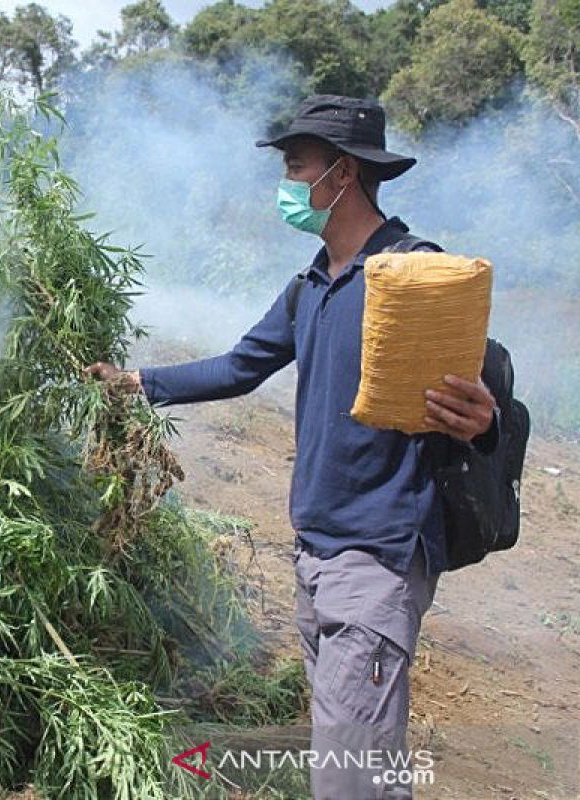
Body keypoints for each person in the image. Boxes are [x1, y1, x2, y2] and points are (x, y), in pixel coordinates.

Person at [83, 95, 499, 799]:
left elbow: (477, 399)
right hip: (317, 555)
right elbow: (240, 366)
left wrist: (483, 419)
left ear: (342, 175)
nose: (286, 182)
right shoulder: (312, 285)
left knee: (345, 780)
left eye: (295, 165)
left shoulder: (413, 276)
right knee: (364, 767)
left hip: (378, 558)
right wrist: (137, 381)